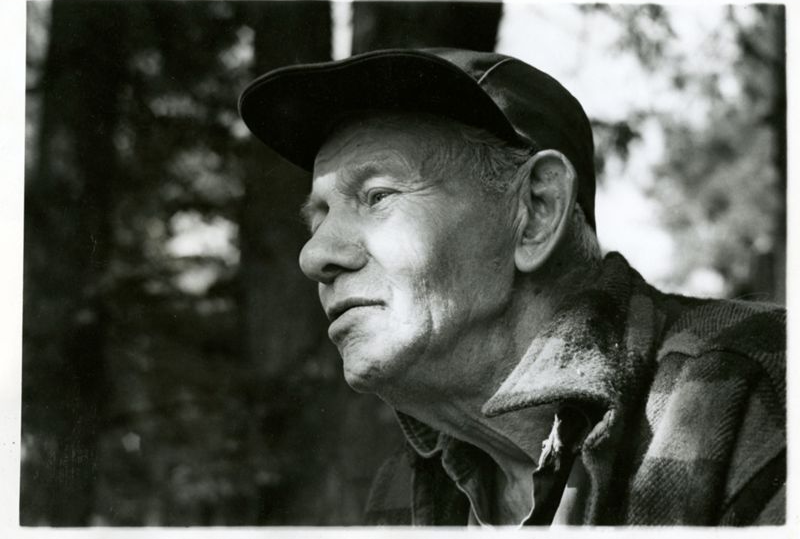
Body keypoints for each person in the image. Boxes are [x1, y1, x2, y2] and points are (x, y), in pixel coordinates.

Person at [238, 48, 785, 526]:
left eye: (378, 196)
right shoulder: (408, 482)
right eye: (318, 219)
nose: (314, 257)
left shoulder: (756, 386)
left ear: (536, 211)